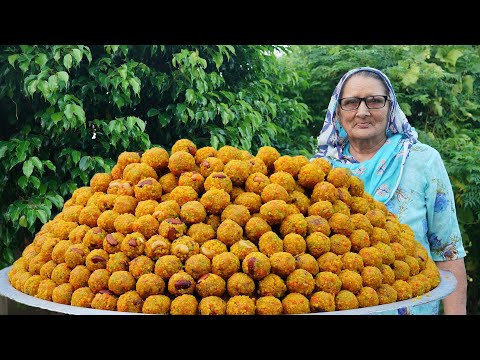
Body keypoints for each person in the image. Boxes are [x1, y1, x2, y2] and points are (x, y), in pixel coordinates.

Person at [312, 66, 467, 315]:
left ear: (390, 107)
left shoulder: (422, 161)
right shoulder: (320, 171)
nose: (362, 112)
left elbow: (448, 251)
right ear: (338, 113)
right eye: (351, 102)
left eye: (374, 101)